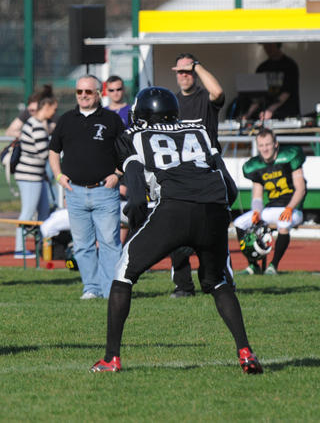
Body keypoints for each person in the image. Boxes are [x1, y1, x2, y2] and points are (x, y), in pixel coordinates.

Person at [91, 86, 262, 374]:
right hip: (214, 209)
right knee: (217, 281)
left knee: (123, 274)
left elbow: (136, 195)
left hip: (174, 208)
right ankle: (246, 352)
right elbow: (229, 187)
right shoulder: (199, 131)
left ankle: (111, 358)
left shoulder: (133, 136)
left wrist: (138, 223)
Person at [49, 75, 124, 300]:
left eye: (88, 92)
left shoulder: (112, 119)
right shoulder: (66, 120)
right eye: (79, 92)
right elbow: (53, 151)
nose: (83, 96)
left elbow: (127, 151)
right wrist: (58, 176)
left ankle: (111, 291)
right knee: (82, 245)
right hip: (75, 192)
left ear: (98, 93)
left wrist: (117, 175)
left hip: (105, 191)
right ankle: (91, 288)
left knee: (110, 243)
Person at [169, 53, 225, 298]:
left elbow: (218, 92)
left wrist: (197, 66)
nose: (184, 76)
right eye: (180, 71)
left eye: (188, 71)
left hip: (207, 174)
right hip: (180, 175)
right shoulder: (172, 103)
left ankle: (213, 281)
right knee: (176, 231)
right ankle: (183, 286)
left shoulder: (205, 97)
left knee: (210, 230)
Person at [233, 128, 305, 275]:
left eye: (267, 144)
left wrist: (290, 208)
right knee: (239, 223)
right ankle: (253, 265)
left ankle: (273, 266)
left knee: (283, 223)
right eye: (261, 145)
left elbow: (300, 189)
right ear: (258, 146)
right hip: (271, 208)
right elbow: (257, 196)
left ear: (275, 144)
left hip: (293, 209)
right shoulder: (256, 166)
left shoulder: (289, 157)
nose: (265, 149)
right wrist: (256, 212)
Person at [13, 96, 58, 259]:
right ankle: (20, 249)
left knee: (44, 211)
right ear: (46, 107)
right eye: (54, 109)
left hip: (37, 175)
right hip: (29, 176)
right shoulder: (37, 126)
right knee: (28, 212)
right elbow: (44, 153)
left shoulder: (33, 123)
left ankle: (43, 246)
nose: (54, 113)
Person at [242, 43, 300, 121]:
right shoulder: (262, 68)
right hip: (265, 116)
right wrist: (248, 113)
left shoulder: (290, 65)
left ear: (278, 44)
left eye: (270, 45)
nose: (267, 49)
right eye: (265, 46)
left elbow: (286, 92)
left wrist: (269, 110)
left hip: (286, 116)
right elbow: (258, 96)